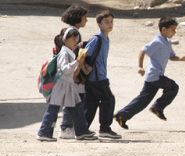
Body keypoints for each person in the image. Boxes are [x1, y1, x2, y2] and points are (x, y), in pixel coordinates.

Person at [114, 17, 185, 130]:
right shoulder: (157, 41)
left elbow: (172, 57)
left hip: (153, 77)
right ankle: (158, 107)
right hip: (155, 75)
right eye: (172, 29)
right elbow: (143, 51)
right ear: (163, 30)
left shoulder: (167, 42)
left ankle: (122, 115)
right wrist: (140, 66)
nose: (175, 32)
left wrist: (181, 59)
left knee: (143, 100)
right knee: (173, 87)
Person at [37, 27, 98, 142]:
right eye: (73, 37)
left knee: (77, 107)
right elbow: (64, 69)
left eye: (77, 37)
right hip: (61, 86)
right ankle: (44, 132)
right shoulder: (64, 53)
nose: (76, 39)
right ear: (65, 40)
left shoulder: (68, 52)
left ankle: (81, 132)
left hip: (68, 85)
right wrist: (77, 62)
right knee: (53, 109)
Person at [83, 11, 122, 140]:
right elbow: (83, 55)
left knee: (91, 103)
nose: (110, 24)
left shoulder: (106, 39)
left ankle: (82, 129)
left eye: (111, 22)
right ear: (99, 24)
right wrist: (85, 70)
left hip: (99, 77)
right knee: (109, 100)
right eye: (106, 22)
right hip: (96, 78)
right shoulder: (97, 39)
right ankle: (105, 128)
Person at [59, 4, 91, 140]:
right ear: (78, 18)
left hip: (71, 71)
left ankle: (73, 128)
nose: (87, 20)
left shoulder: (69, 30)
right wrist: (78, 72)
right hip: (73, 72)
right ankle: (66, 128)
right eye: (85, 17)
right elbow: (74, 53)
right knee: (73, 100)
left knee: (75, 100)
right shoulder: (74, 33)